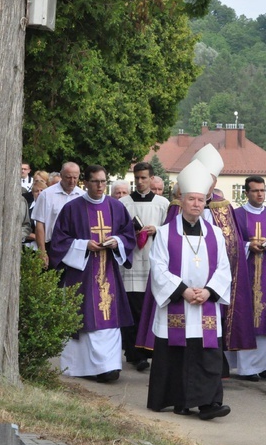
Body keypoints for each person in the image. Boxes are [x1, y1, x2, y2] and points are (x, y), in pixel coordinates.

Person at [146, 158, 233, 420]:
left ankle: (209, 403)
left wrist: (208, 291)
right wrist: (182, 290)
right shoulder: (164, 233)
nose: (197, 204)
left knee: (207, 355)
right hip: (178, 302)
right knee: (178, 354)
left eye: (201, 200)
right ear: (181, 200)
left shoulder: (215, 234)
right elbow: (158, 267)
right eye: (192, 199)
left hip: (205, 303)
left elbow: (224, 268)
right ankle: (180, 401)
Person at [49, 165, 136, 383]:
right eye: (95, 181)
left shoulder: (116, 208)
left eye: (103, 181)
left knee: (109, 315)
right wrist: (83, 245)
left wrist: (117, 241)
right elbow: (59, 241)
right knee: (85, 315)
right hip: (82, 275)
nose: (100, 186)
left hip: (108, 272)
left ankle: (110, 366)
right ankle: (83, 367)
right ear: (85, 183)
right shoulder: (72, 208)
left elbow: (129, 235)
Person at [192, 143, 255, 352]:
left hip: (218, 273)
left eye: (211, 178)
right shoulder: (180, 205)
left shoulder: (224, 206)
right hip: (190, 272)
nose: (207, 183)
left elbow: (234, 242)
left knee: (218, 317)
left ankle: (219, 361)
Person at [230, 175, 266, 381]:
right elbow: (228, 242)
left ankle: (264, 366)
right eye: (255, 191)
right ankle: (246, 368)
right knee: (247, 318)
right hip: (245, 275)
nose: (260, 194)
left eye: (263, 190)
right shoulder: (236, 215)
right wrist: (246, 246)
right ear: (246, 193)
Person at [120, 162, 170, 372]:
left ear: (151, 179)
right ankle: (133, 353)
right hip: (130, 263)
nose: (140, 182)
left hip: (152, 260)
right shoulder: (123, 203)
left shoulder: (162, 203)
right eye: (137, 178)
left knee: (149, 307)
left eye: (144, 178)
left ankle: (150, 349)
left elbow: (169, 230)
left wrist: (156, 229)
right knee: (131, 307)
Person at [33, 162, 84, 268]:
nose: (72, 181)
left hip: (76, 248)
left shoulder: (83, 196)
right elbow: (39, 224)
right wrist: (42, 251)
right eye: (68, 177)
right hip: (52, 247)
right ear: (61, 175)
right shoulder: (46, 195)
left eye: (75, 177)